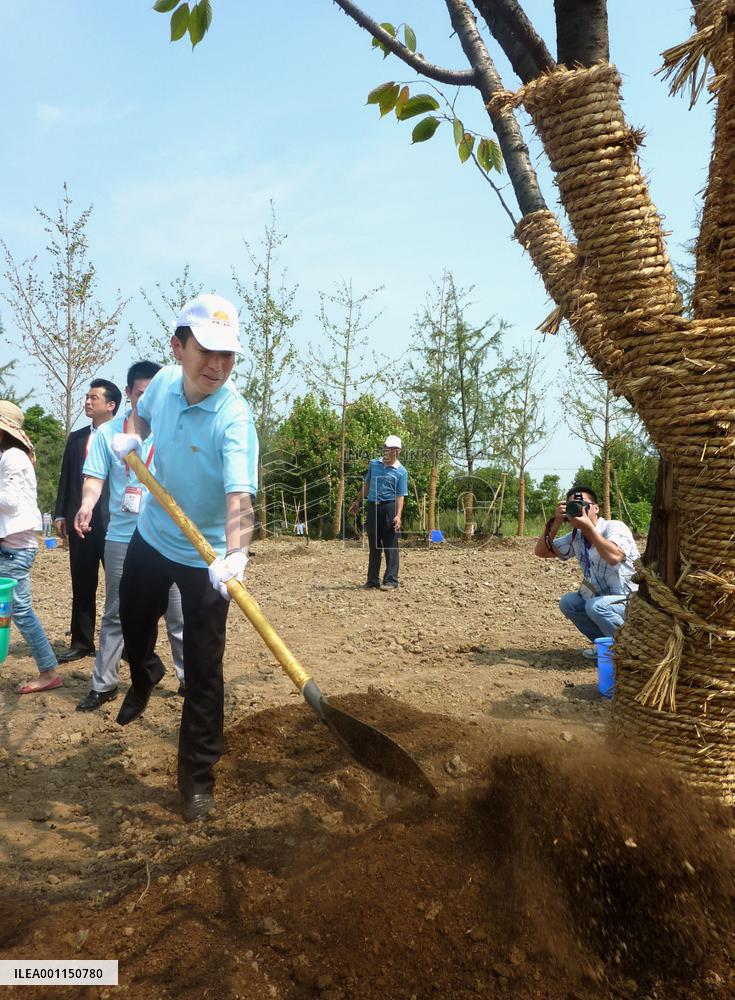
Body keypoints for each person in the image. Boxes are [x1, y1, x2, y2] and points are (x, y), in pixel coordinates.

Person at [112, 293, 258, 823]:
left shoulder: (234, 418)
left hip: (208, 558)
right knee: (130, 620)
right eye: (206, 352)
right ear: (178, 347)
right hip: (154, 533)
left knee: (203, 672)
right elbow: (140, 418)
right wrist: (131, 440)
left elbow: (240, 499)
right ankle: (144, 671)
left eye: (228, 355)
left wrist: (236, 555)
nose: (217, 366)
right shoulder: (166, 387)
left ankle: (197, 782)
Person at [73, 361, 186, 712]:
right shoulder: (107, 435)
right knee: (116, 613)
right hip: (122, 536)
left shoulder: (174, 430)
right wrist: (87, 505)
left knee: (178, 614)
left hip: (168, 537)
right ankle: (104, 684)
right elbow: (94, 479)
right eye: (141, 394)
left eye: (154, 395)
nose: (148, 401)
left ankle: (189, 679)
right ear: (129, 394)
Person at [54, 379, 122, 661]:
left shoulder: (123, 438)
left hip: (114, 524)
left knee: (121, 588)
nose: (87, 402)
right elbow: (67, 478)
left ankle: (128, 644)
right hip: (80, 523)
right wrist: (61, 513)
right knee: (82, 583)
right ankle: (82, 642)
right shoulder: (77, 437)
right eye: (86, 397)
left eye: (94, 398)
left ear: (111, 405)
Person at [534, 485, 640, 656]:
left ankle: (628, 650)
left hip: (633, 600)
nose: (578, 509)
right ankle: (607, 647)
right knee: (569, 603)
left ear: (596, 508)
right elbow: (541, 552)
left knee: (595, 606)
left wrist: (589, 529)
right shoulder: (578, 536)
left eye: (583, 504)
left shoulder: (614, 527)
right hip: (603, 598)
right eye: (572, 506)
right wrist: (554, 525)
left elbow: (614, 557)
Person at [0, 401, 62, 694]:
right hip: (12, 546)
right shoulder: (10, 455)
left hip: (14, 549)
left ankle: (48, 671)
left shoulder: (13, 457)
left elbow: (10, 502)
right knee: (15, 609)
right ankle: (48, 669)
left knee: (21, 611)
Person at [349, 435, 408, 591]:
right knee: (374, 545)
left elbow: (400, 495)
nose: (387, 451)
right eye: (385, 447)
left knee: (390, 545)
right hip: (372, 507)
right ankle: (372, 580)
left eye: (391, 449)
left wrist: (398, 515)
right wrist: (357, 501)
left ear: (397, 451)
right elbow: (367, 483)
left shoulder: (401, 472)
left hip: (389, 508)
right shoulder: (374, 464)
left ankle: (391, 580)